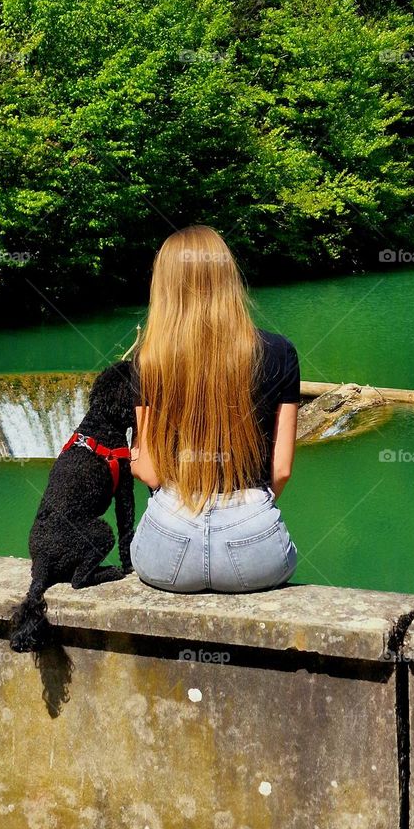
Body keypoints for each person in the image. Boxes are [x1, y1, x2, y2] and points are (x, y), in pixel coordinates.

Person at [129, 225, 299, 593]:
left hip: (166, 547)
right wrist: (244, 513)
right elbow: (281, 470)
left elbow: (147, 468)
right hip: (255, 549)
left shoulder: (148, 361)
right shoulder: (280, 352)